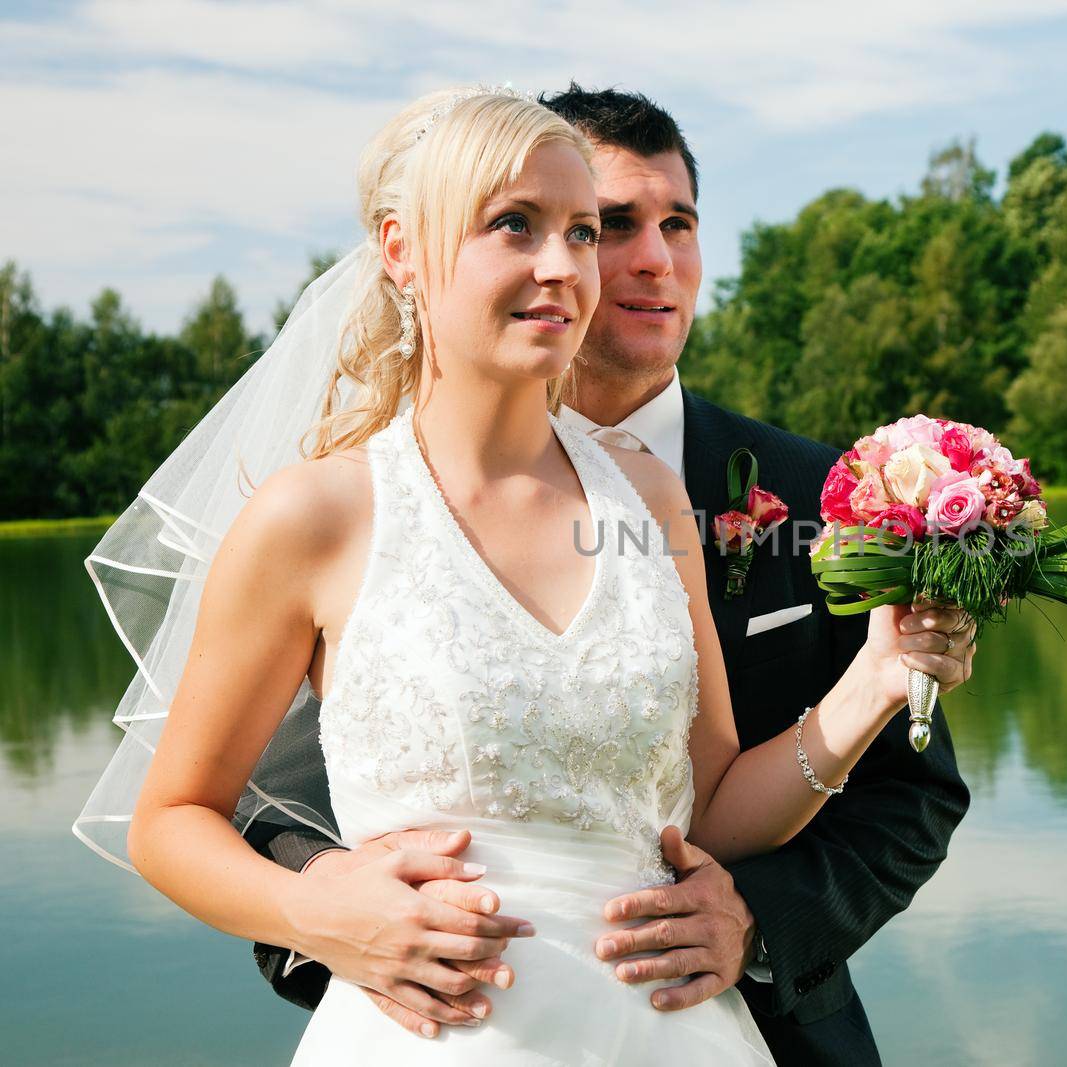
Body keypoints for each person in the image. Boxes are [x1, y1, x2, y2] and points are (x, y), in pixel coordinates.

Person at [82, 86, 972, 1065]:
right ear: (400, 250)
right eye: (517, 225)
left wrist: (875, 679)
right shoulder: (314, 516)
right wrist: (312, 905)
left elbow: (710, 808)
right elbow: (177, 818)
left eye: (578, 231)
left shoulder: (653, 496)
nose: (565, 266)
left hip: (685, 1033)